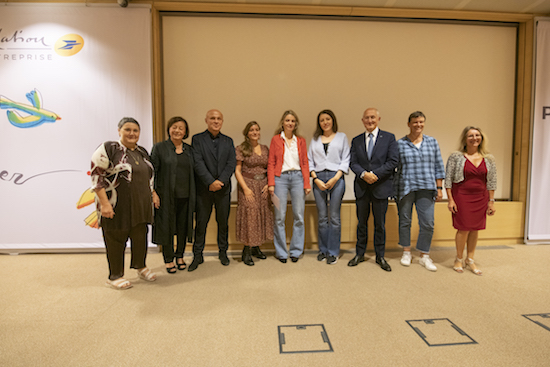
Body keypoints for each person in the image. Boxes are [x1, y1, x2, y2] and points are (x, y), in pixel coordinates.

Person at [91, 117, 157, 290]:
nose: (132, 133)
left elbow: (149, 176)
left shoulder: (142, 151)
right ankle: (115, 276)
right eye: (127, 130)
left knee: (140, 236)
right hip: (115, 204)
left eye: (135, 130)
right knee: (116, 239)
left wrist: (153, 193)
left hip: (141, 203)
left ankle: (140, 267)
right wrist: (104, 204)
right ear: (119, 131)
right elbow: (97, 177)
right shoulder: (109, 148)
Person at [348, 108, 399, 271]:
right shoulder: (356, 140)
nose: (370, 120)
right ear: (362, 120)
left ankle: (380, 256)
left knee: (380, 224)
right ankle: (359, 254)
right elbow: (352, 162)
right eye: (366, 118)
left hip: (381, 186)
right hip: (362, 187)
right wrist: (364, 174)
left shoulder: (389, 138)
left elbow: (393, 161)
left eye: (372, 117)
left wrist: (375, 174)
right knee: (361, 223)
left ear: (378, 119)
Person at [394, 111, 445, 272]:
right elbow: (394, 168)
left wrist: (439, 188)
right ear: (409, 124)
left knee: (427, 223)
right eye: (415, 122)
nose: (418, 125)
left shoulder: (432, 142)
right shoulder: (400, 143)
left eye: (421, 122)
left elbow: (438, 166)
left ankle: (424, 255)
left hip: (427, 188)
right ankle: (406, 251)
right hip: (405, 187)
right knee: (405, 221)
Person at [445, 126, 497, 275]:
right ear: (465, 139)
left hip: (481, 197)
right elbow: (448, 179)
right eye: (470, 136)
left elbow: (492, 181)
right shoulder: (456, 156)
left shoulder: (489, 158)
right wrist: (450, 199)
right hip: (461, 196)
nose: (474, 138)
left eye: (477, 135)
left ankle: (470, 259)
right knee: (463, 228)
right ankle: (459, 259)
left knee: (475, 228)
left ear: (481, 138)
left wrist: (491, 201)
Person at [190, 109, 236, 271]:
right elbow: (197, 162)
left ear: (222, 121)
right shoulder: (197, 139)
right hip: (204, 189)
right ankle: (197, 255)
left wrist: (220, 182)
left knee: (222, 223)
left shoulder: (228, 141)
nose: (216, 121)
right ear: (206, 120)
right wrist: (210, 181)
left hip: (223, 190)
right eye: (212, 118)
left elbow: (231, 163)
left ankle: (223, 252)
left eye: (219, 119)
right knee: (201, 223)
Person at [151, 116, 196, 273]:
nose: (177, 130)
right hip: (165, 196)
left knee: (183, 227)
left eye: (181, 128)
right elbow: (152, 172)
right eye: (174, 127)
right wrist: (153, 193)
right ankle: (168, 259)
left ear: (185, 132)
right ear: (169, 129)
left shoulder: (189, 150)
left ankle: (180, 256)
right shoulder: (159, 148)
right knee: (167, 227)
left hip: (186, 196)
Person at [268, 110, 311, 263]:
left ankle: (296, 251)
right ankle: (281, 252)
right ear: (283, 123)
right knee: (279, 216)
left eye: (293, 121)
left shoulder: (301, 141)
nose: (290, 123)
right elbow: (271, 162)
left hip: (298, 178)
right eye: (287, 120)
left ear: (295, 124)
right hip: (280, 179)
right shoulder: (275, 140)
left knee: (299, 216)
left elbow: (305, 163)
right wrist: (271, 184)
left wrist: (307, 183)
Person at [308, 109, 350, 265]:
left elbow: (346, 159)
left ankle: (333, 252)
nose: (325, 122)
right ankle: (323, 250)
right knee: (322, 218)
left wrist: (335, 178)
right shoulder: (315, 139)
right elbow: (309, 161)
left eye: (327, 119)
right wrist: (316, 179)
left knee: (334, 217)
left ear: (333, 120)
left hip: (336, 179)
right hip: (318, 179)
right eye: (322, 120)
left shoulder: (342, 137)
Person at [235, 121, 273, 266]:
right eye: (251, 130)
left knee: (261, 215)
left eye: (257, 129)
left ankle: (257, 247)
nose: (255, 132)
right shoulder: (241, 148)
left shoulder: (265, 148)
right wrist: (245, 188)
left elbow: (270, 167)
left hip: (263, 185)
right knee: (250, 216)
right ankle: (246, 250)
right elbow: (238, 170)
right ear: (247, 133)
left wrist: (269, 183)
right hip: (248, 185)